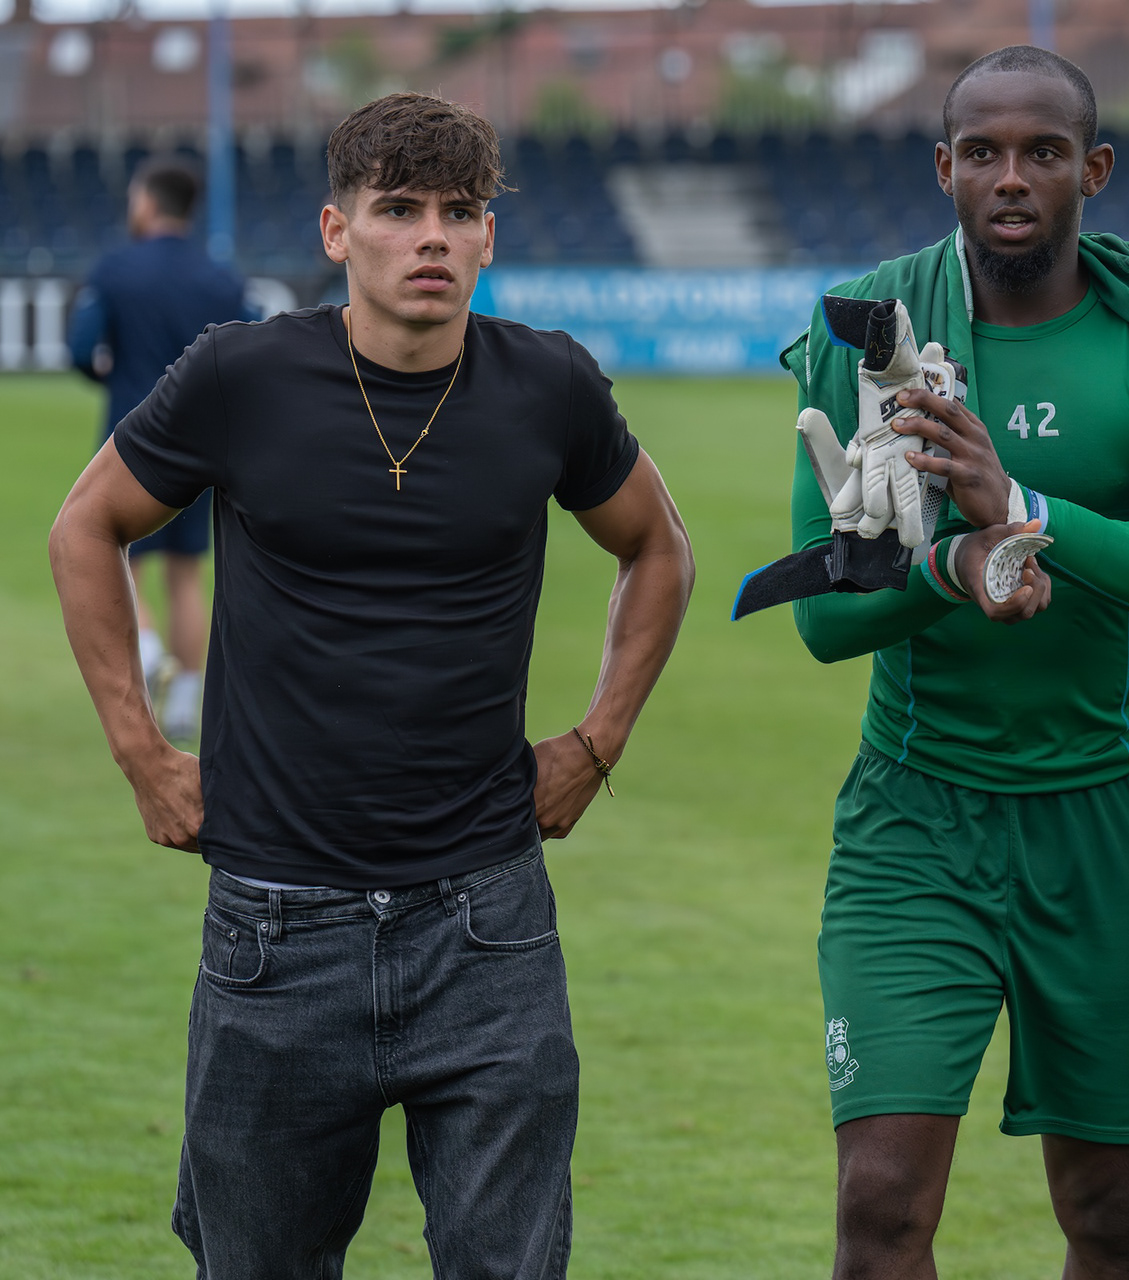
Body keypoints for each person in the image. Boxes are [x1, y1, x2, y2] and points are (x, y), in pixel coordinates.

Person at [47, 92, 695, 1277]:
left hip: (488, 923)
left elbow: (659, 546)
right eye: (399, 209)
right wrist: (141, 751)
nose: (431, 235)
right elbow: (85, 527)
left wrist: (598, 740)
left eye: (459, 211)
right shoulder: (241, 374)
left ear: (489, 236)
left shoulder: (548, 384)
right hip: (276, 925)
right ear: (338, 230)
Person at [779, 46, 1129, 1279]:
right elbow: (823, 620)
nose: (1012, 176)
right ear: (944, 168)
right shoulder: (867, 327)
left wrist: (1019, 504)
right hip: (917, 820)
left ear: (1096, 169)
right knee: (881, 1206)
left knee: (1112, 1218)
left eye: (1045, 151)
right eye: (982, 152)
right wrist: (950, 566)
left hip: (1104, 816)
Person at [67, 157, 252, 742]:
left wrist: (110, 379)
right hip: (204, 440)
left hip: (131, 438)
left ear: (147, 202)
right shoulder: (221, 277)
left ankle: (145, 648)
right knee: (186, 574)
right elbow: (250, 350)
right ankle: (184, 703)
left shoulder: (115, 269)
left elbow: (81, 348)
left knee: (122, 554)